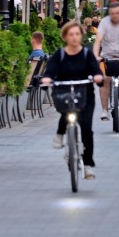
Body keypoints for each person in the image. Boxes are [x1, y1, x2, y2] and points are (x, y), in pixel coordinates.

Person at [43, 21, 104, 180]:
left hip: (85, 94)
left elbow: (96, 70)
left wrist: (97, 77)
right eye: (71, 34)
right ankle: (60, 133)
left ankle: (88, 165)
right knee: (67, 111)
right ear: (65, 37)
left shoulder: (86, 54)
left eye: (77, 34)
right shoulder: (60, 54)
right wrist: (47, 78)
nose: (74, 37)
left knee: (86, 129)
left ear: (81, 36)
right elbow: (50, 70)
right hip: (65, 92)